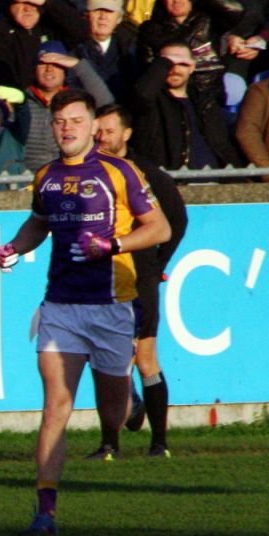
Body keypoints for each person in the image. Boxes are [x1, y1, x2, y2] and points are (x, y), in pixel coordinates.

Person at [0, 89, 170, 536]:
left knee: (111, 413)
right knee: (56, 404)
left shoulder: (120, 172)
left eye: (76, 120)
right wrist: (15, 247)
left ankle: (127, 400)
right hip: (61, 305)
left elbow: (159, 227)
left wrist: (113, 245)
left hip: (111, 306)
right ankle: (45, 511)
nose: (67, 128)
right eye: (60, 122)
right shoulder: (46, 177)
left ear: (93, 126)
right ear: (52, 127)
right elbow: (39, 222)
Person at [89, 103, 187, 459]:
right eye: (98, 130)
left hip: (139, 277)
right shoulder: (90, 172)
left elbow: (176, 218)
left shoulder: (145, 173)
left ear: (126, 134)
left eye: (109, 130)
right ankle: (110, 442)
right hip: (101, 277)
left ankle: (159, 443)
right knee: (107, 361)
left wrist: (156, 264)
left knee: (145, 357)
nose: (102, 137)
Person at [132, 42, 243, 169]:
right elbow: (142, 95)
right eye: (169, 63)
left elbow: (221, 145)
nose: (175, 70)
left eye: (182, 64)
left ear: (192, 67)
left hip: (214, 181)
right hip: (174, 182)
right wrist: (162, 64)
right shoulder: (151, 102)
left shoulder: (204, 102)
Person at [19, 40, 112, 171]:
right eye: (43, 64)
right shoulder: (20, 102)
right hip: (26, 180)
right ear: (34, 70)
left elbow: (105, 103)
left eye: (56, 64)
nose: (49, 69)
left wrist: (78, 65)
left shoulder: (76, 100)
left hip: (70, 176)